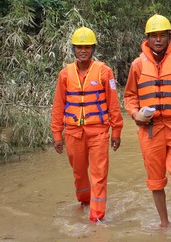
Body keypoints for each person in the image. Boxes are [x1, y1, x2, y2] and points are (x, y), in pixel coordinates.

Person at [123, 14, 171, 229]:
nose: (158, 40)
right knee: (155, 179)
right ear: (147, 38)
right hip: (150, 130)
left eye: (162, 35)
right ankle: (164, 222)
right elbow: (129, 97)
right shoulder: (138, 65)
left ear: (169, 37)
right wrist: (135, 114)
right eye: (154, 36)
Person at [50, 27, 124, 222]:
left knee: (99, 173)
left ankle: (96, 217)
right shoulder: (65, 74)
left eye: (87, 47)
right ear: (73, 49)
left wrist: (116, 130)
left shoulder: (104, 72)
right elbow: (58, 106)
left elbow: (113, 104)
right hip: (73, 132)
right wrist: (57, 134)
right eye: (79, 47)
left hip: (98, 131)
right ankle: (84, 201)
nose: (83, 51)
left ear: (93, 49)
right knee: (79, 172)